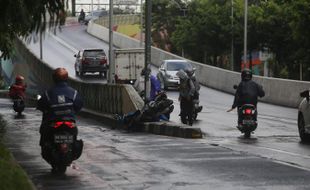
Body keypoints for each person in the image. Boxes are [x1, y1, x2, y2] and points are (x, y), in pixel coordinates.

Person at [37, 68, 83, 163]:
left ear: (54, 79)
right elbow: (79, 105)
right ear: (67, 78)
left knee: (44, 134)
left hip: (53, 122)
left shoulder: (48, 93)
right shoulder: (73, 92)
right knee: (74, 136)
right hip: (69, 122)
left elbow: (41, 105)